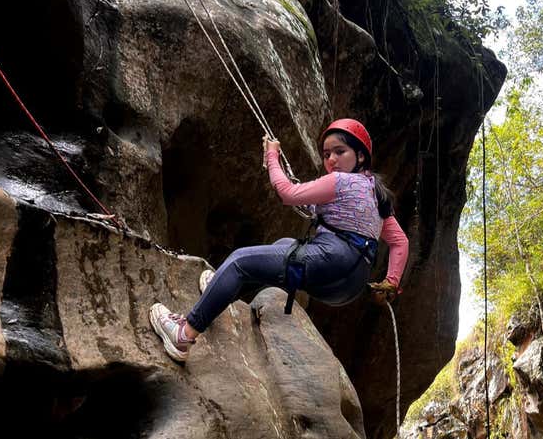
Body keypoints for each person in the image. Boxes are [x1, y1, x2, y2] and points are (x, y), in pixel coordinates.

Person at [149, 119, 409, 362]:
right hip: (349, 282)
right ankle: (221, 291)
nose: (331, 160)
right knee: (284, 245)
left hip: (331, 261)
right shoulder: (375, 196)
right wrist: (391, 282)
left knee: (240, 261)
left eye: (339, 152)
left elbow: (287, 193)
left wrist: (272, 156)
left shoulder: (340, 182)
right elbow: (400, 242)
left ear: (360, 155)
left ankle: (183, 334)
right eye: (327, 154)